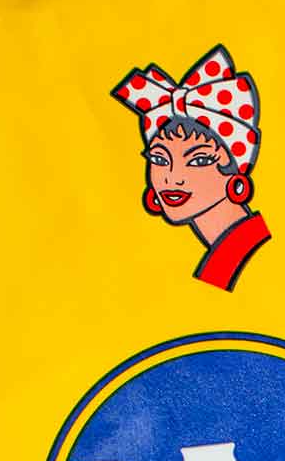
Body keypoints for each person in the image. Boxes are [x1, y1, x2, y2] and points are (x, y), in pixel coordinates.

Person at [113, 44, 270, 291]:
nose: (173, 178)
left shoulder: (247, 258)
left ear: (235, 171)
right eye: (160, 159)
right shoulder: (221, 262)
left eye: (198, 160)